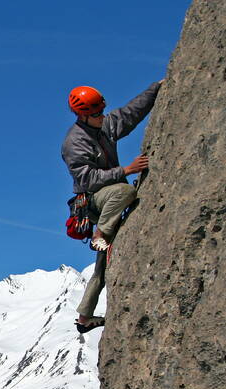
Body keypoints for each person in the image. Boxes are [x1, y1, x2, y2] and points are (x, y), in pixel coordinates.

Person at [62, 81, 162, 334]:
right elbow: (86, 179)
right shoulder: (75, 143)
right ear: (83, 115)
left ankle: (84, 318)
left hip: (110, 202)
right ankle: (101, 234)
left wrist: (156, 88)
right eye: (96, 114)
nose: (101, 117)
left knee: (102, 266)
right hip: (95, 200)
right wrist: (126, 170)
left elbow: (131, 112)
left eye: (101, 112)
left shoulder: (103, 126)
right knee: (125, 190)